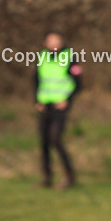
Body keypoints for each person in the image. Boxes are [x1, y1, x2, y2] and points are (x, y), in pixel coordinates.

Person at [34, 31, 82, 189]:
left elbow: (78, 82)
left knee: (55, 139)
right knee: (44, 142)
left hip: (59, 106)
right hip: (45, 104)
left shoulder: (69, 57)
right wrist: (37, 100)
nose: (53, 43)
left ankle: (70, 175)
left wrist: (67, 100)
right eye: (50, 40)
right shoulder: (43, 57)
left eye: (56, 40)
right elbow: (36, 79)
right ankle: (47, 177)